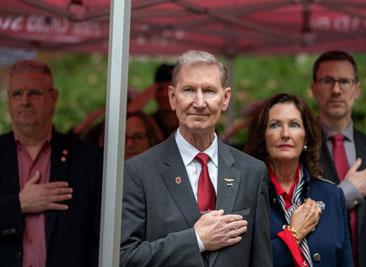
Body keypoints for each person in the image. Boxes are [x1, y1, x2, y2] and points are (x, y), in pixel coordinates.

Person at [120, 50, 272, 266]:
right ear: (173, 97)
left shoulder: (252, 172)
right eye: (189, 90)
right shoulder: (138, 172)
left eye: (209, 91)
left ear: (225, 98)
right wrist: (196, 240)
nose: (199, 102)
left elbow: (261, 259)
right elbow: (124, 257)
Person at [0, 59, 103, 267]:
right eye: (17, 94)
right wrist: (19, 204)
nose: (25, 100)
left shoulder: (88, 159)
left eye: (35, 93)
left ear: (54, 97)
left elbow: (100, 236)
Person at [311, 50, 366, 266]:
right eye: (327, 81)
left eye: (344, 81)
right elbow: (294, 218)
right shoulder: (300, 150)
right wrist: (347, 192)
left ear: (357, 90)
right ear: (313, 89)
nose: (336, 90)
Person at [244, 93, 352, 267]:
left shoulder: (331, 195)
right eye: (274, 125)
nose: (285, 134)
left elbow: (345, 261)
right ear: (263, 137)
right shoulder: (246, 196)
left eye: (294, 125)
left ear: (306, 137)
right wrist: (294, 234)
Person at [96, 111, 164, 159]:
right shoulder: (100, 177)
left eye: (138, 137)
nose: (130, 144)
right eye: (122, 138)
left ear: (152, 142)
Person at [150, 63, 179, 138]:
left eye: (171, 89)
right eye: (160, 89)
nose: (165, 94)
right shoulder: (147, 123)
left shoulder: (193, 122)